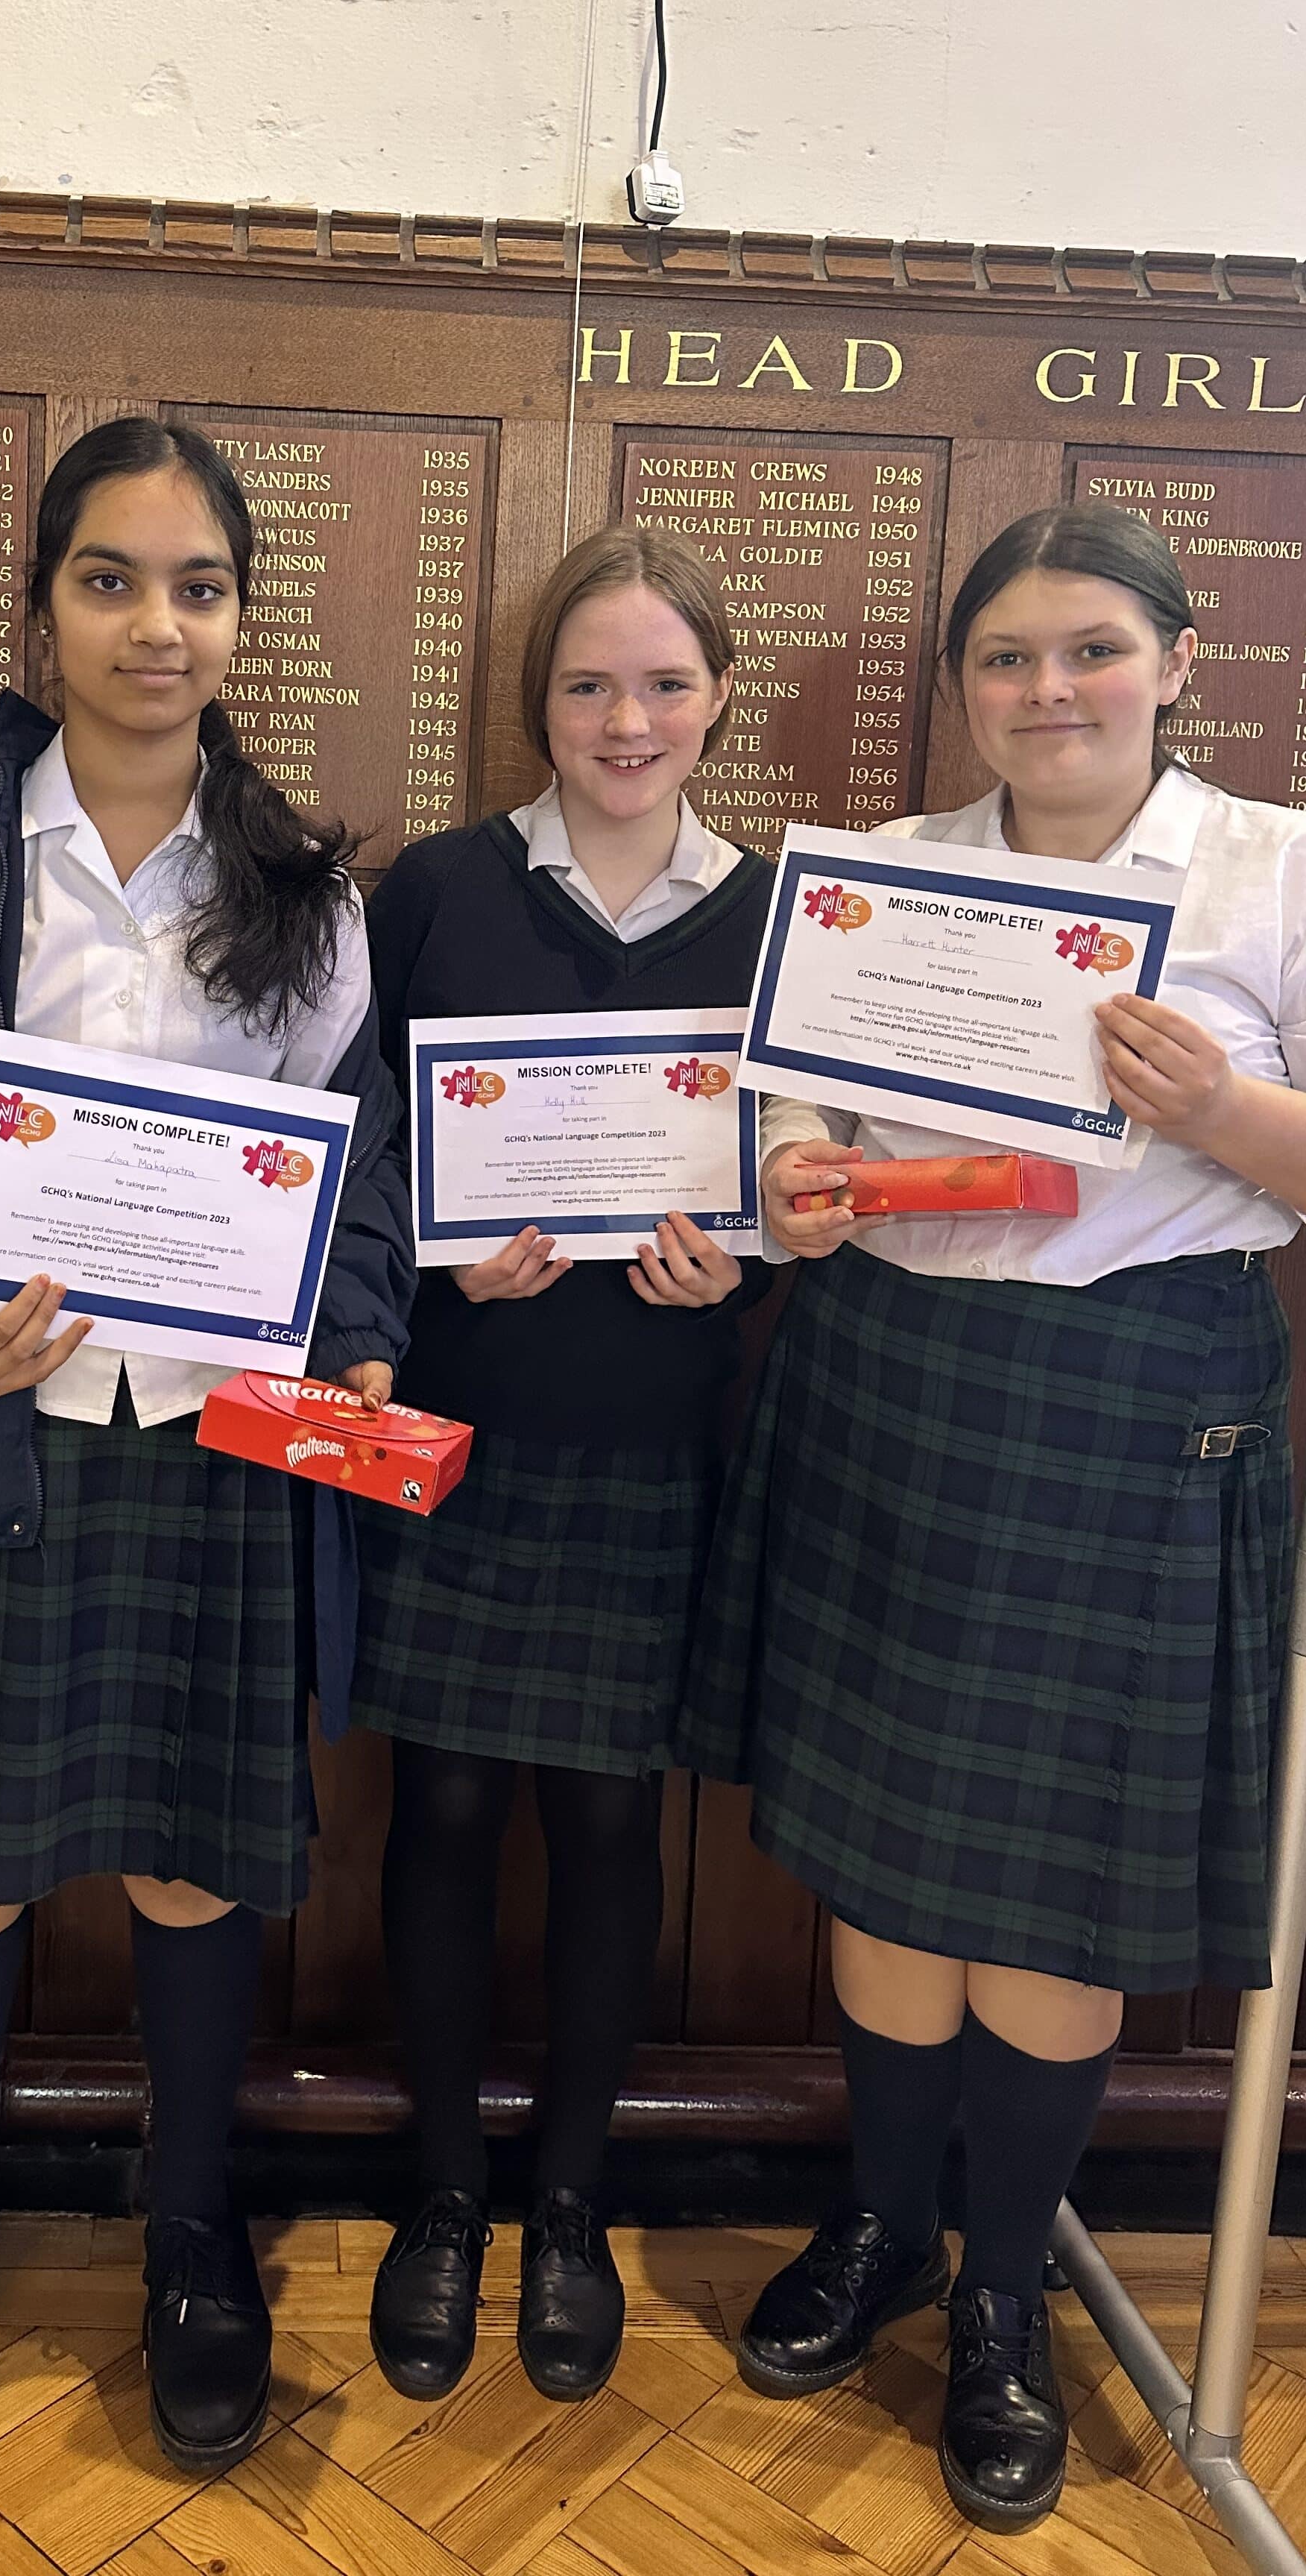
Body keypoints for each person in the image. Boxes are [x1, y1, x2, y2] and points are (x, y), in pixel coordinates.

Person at [685, 503, 1306, 2535]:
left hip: (1132, 1403)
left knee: (1051, 1897)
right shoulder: (886, 879)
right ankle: (884, 2233)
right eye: (1010, 659)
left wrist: (1226, 1118)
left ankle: (1010, 2296)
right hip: (890, 1386)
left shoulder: (1301, 872)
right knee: (883, 1864)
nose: (1051, 692)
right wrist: (799, 1177)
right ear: (966, 687)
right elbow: (795, 1107)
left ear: (1180, 661)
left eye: (1094, 649)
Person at [0, 416, 410, 2477]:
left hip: (218, 1455)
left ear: (241, 622)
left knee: (190, 1855)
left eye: (199, 586)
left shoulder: (305, 889)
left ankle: (194, 2231)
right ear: (43, 609)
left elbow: (364, 1194)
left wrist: (366, 1346)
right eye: (111, 580)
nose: (157, 624)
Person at [353, 528, 769, 2405]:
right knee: (435, 1815)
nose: (627, 719)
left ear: (718, 700)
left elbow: (817, 1160)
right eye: (590, 684)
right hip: (459, 1411)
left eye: (665, 683)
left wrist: (742, 1250)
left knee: (609, 1828)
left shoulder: (779, 919)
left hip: (653, 1418)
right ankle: (447, 2196)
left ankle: (575, 2199)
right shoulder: (433, 889)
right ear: (537, 703)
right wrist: (441, 1249)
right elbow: (353, 1142)